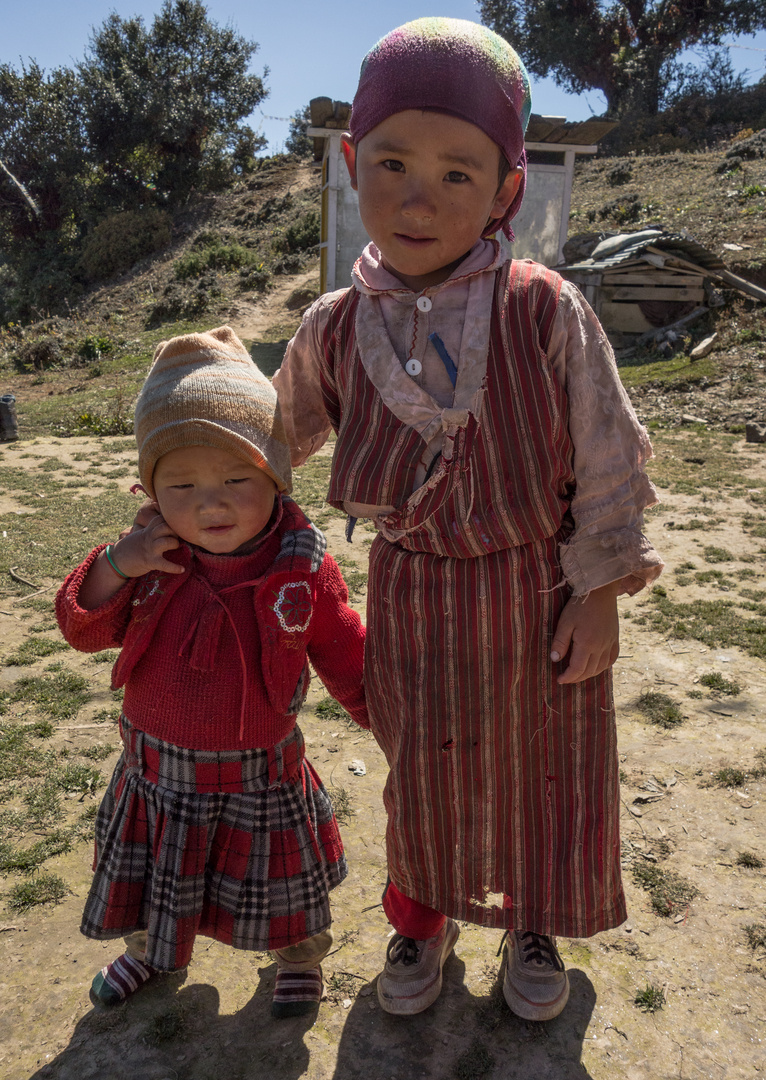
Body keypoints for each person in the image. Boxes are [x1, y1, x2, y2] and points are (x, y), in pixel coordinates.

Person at [273, 17, 664, 1022]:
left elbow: (608, 456)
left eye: (458, 173)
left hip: (534, 592)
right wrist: (200, 470)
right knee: (425, 767)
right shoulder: (334, 324)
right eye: (393, 161)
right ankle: (424, 914)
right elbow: (276, 439)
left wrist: (602, 594)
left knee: (544, 767)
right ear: (352, 163)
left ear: (504, 191)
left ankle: (530, 919)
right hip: (411, 591)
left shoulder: (545, 309)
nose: (417, 195)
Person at [56, 327, 368, 1019]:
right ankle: (149, 949)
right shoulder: (146, 558)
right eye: (182, 485)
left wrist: (388, 714)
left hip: (262, 775)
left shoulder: (300, 567)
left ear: (276, 477)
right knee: (152, 880)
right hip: (158, 776)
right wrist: (117, 564)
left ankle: (297, 959)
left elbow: (345, 650)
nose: (210, 504)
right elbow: (82, 628)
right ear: (149, 489)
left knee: (286, 888)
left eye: (236, 480)